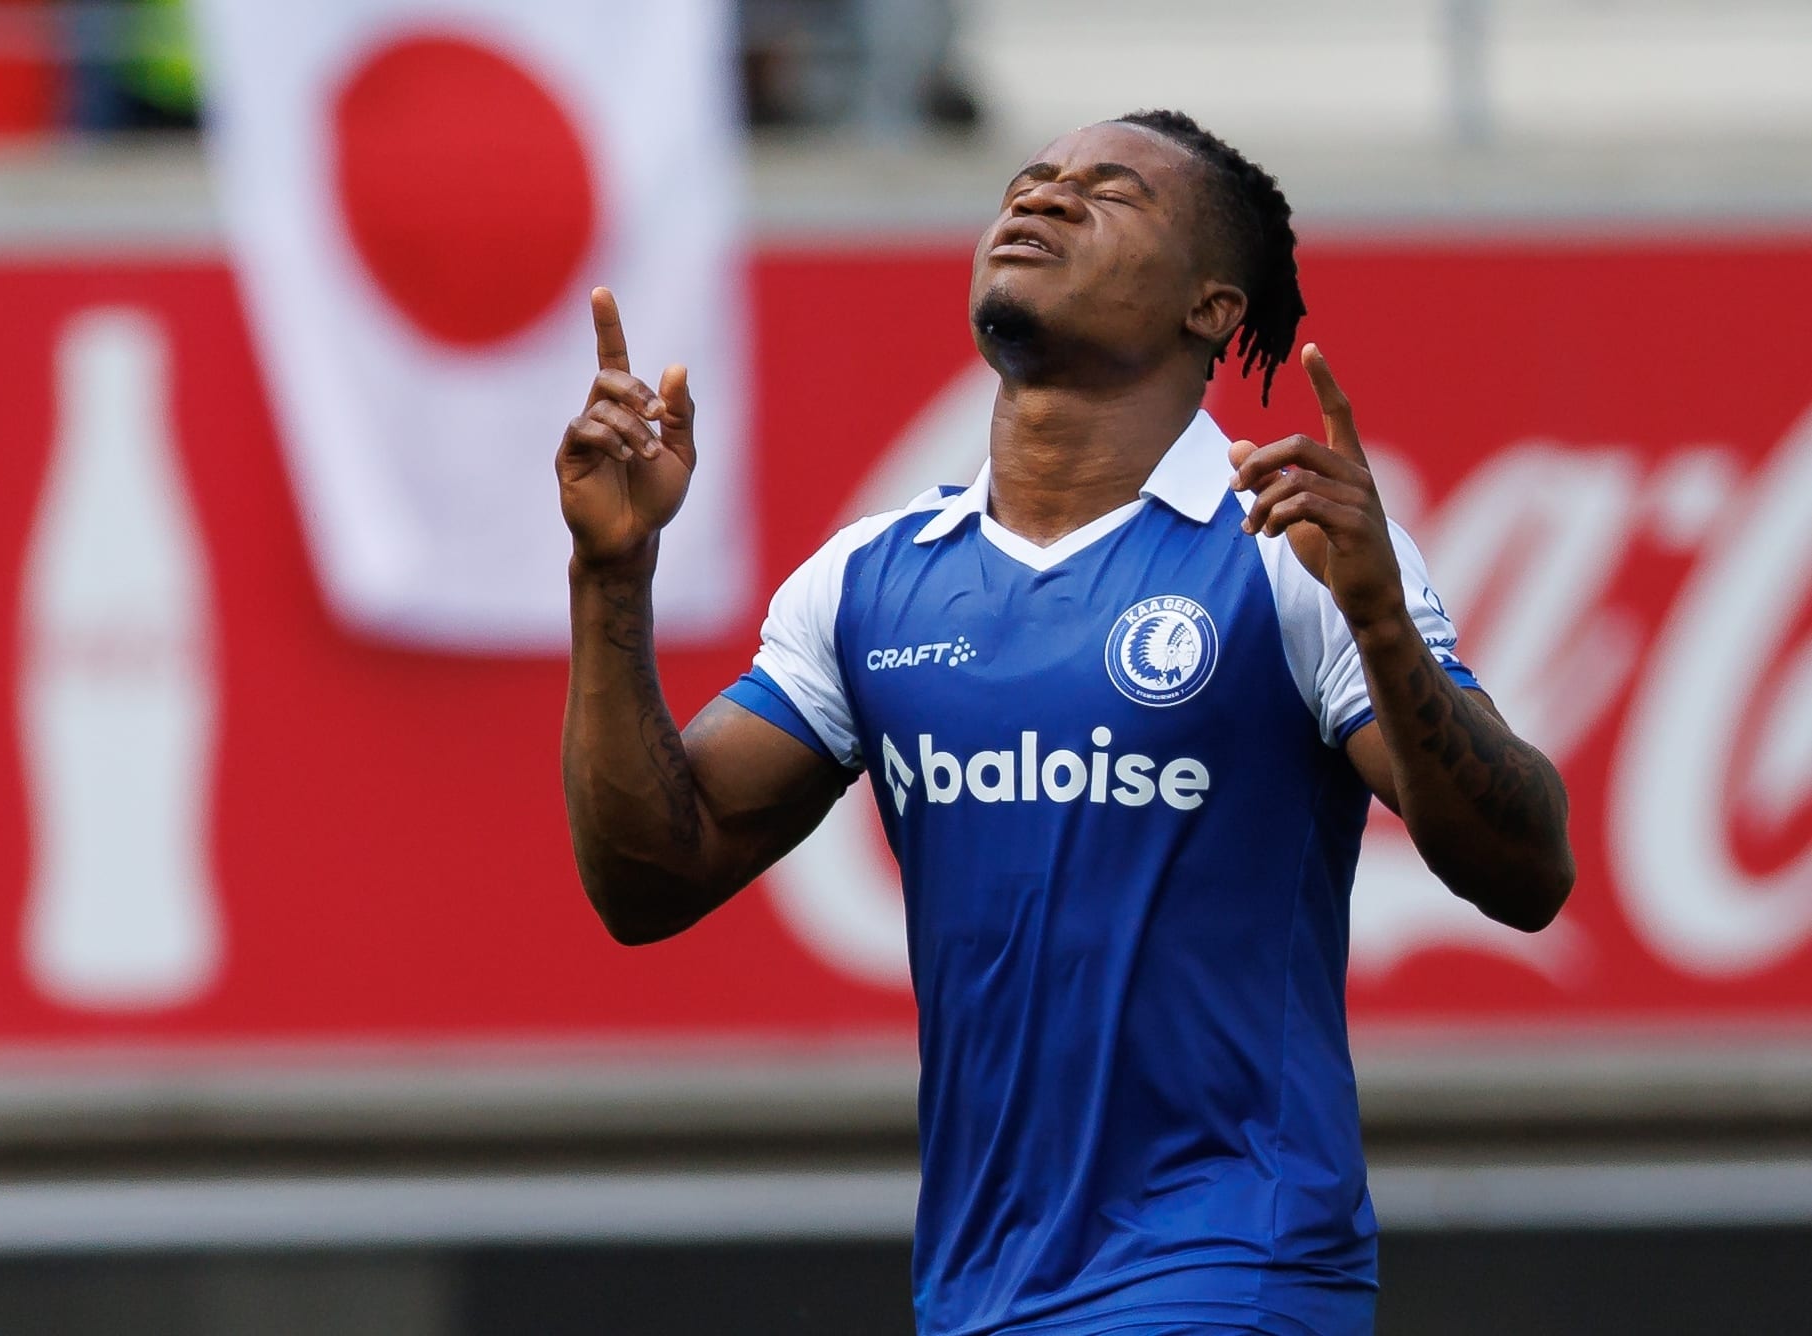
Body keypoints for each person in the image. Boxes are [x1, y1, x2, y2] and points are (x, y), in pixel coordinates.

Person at [555, 109, 1574, 1336]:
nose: (1040, 199)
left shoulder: (1290, 549)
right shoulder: (870, 577)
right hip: (980, 1289)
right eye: (1029, 181)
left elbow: (1528, 867)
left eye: (1109, 193)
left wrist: (1380, 625)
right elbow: (650, 877)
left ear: (1211, 306)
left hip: (1227, 1267)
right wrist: (611, 578)